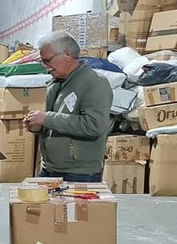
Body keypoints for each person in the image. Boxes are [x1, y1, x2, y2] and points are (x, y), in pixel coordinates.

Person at [24, 31, 112, 182]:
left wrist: (46, 118)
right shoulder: (57, 83)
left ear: (68, 55)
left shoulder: (94, 83)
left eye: (48, 61)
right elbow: (56, 123)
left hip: (79, 173)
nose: (45, 67)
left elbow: (94, 125)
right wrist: (37, 126)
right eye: (42, 62)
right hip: (50, 169)